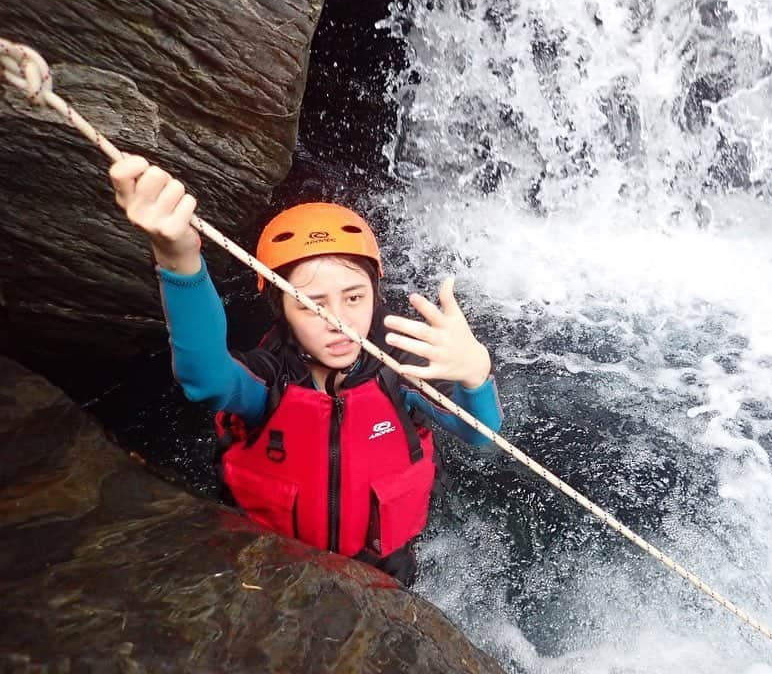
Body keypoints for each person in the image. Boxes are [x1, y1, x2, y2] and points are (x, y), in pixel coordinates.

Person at [110, 156, 503, 585]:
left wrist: (475, 374)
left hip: (383, 568)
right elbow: (204, 377)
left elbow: (481, 435)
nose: (337, 321)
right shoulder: (270, 378)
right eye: (310, 304)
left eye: (354, 298)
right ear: (282, 311)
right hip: (275, 567)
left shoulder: (398, 370)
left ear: (374, 294)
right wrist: (178, 257)